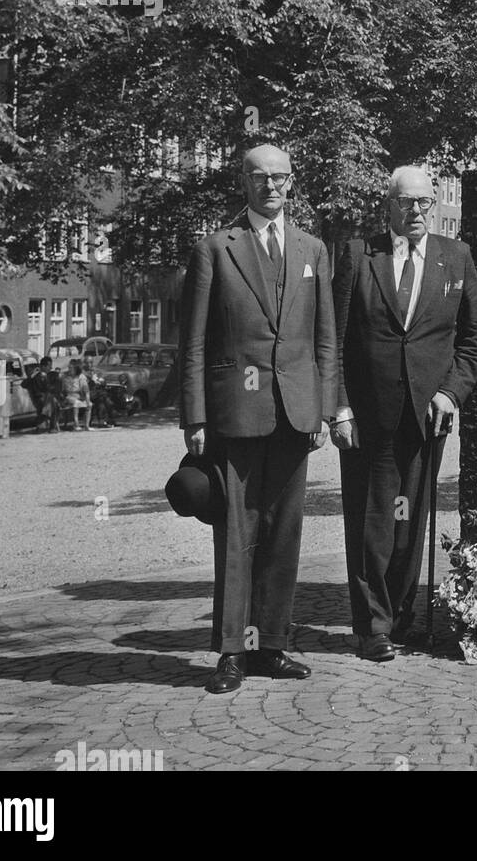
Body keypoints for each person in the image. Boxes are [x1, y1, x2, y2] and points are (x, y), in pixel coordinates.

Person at [179, 144, 339, 694]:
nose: (271, 186)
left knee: (284, 535)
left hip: (296, 414)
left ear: (292, 183)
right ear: (243, 183)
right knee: (237, 535)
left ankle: (270, 646)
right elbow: (194, 341)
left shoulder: (313, 248)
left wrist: (322, 407)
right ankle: (230, 652)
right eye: (259, 177)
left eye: (279, 178)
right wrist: (194, 417)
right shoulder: (215, 249)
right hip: (235, 414)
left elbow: (325, 340)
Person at [334, 165, 477, 662]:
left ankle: (400, 616)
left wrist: (450, 393)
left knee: (410, 517)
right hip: (367, 415)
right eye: (406, 203)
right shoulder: (359, 255)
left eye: (425, 203)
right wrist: (338, 407)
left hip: (428, 414)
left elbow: (473, 340)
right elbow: (332, 341)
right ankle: (371, 626)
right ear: (390, 205)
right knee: (371, 520)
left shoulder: (456, 257)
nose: (417, 211)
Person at [21, 359, 55, 432]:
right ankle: (50, 427)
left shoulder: (41, 375)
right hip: (41, 399)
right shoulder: (39, 376)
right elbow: (23, 384)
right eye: (49, 366)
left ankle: (44, 424)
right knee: (54, 403)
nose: (51, 368)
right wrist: (32, 375)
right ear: (43, 366)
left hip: (41, 399)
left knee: (53, 401)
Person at [59, 359, 92, 431]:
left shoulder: (81, 377)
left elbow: (86, 391)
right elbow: (61, 389)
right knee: (75, 403)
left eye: (71, 368)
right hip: (68, 396)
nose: (69, 369)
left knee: (89, 404)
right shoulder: (64, 376)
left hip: (79, 396)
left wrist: (87, 401)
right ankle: (76, 424)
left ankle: (87, 426)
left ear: (76, 368)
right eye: (69, 367)